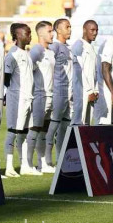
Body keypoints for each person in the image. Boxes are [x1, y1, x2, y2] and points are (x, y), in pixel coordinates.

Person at [3, 23, 40, 178]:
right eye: (27, 33)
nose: (30, 36)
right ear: (18, 35)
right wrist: (10, 94)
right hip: (17, 99)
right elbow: (6, 78)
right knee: (13, 131)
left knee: (24, 132)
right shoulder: (12, 54)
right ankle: (9, 167)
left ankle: (24, 165)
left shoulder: (26, 54)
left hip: (28, 98)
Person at [44, 18, 73, 167]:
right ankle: (47, 160)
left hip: (69, 92)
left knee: (65, 127)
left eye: (70, 27)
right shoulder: (54, 47)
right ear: (58, 30)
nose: (70, 29)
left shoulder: (69, 48)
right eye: (67, 27)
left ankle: (61, 158)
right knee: (53, 126)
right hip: (58, 91)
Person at [29, 21, 56, 174]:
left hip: (51, 96)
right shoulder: (36, 51)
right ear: (41, 34)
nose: (52, 34)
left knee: (45, 131)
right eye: (50, 31)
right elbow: (28, 71)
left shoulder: (50, 52)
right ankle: (28, 163)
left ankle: (43, 162)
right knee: (34, 130)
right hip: (39, 96)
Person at [71, 20, 99, 125]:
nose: (95, 33)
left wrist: (95, 90)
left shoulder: (91, 47)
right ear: (84, 30)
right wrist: (88, 91)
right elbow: (79, 70)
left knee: (86, 125)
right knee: (78, 123)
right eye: (92, 30)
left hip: (91, 92)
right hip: (82, 92)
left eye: (96, 30)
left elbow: (94, 72)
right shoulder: (79, 45)